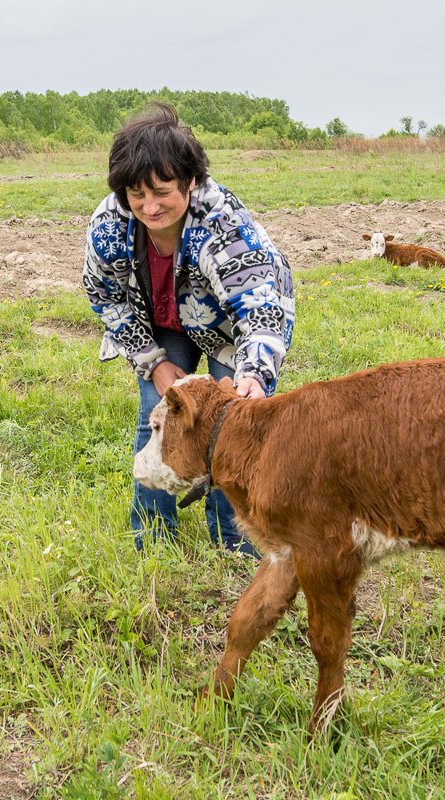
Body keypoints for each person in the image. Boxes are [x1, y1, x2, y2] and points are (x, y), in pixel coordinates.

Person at [83, 102, 295, 557]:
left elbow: (258, 307)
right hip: (160, 321)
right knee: (155, 417)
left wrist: (253, 376)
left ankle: (235, 544)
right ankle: (154, 539)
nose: (149, 206)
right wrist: (153, 362)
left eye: (161, 191)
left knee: (229, 428)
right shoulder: (108, 223)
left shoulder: (224, 226)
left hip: (229, 325)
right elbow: (104, 295)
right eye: (136, 194)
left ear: (190, 181)